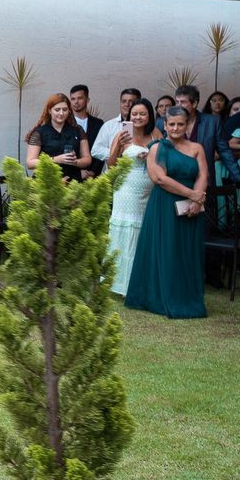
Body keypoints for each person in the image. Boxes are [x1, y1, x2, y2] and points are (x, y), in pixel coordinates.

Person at [124, 106, 208, 318]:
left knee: (188, 251)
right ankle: (162, 296)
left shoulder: (197, 148)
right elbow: (159, 178)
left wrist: (197, 200)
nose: (176, 128)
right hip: (165, 205)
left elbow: (203, 176)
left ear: (188, 124)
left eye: (181, 124)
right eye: (171, 124)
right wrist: (192, 194)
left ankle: (188, 297)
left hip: (192, 206)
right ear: (165, 125)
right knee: (167, 249)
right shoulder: (157, 148)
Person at [105, 99, 161, 296]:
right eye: (134, 114)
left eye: (142, 113)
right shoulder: (122, 136)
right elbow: (111, 166)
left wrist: (151, 156)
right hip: (125, 191)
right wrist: (119, 147)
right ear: (129, 117)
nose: (138, 117)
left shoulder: (156, 134)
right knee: (127, 230)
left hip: (150, 191)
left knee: (144, 231)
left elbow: (165, 160)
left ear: (149, 116)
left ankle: (142, 281)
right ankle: (121, 283)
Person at [26, 93, 91, 182]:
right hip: (46, 183)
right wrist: (56, 159)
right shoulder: (40, 132)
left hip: (73, 183)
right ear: (49, 110)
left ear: (69, 111)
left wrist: (75, 162)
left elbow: (87, 159)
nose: (61, 113)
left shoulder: (78, 130)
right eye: (57, 110)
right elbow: (30, 163)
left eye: (65, 110)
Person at [91, 88, 141, 170]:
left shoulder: (144, 127)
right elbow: (95, 150)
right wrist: (116, 153)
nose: (127, 104)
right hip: (114, 175)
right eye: (124, 101)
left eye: (131, 101)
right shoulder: (109, 126)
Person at [70, 84, 105, 178]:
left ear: (87, 100)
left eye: (80, 98)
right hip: (70, 176)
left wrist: (93, 171)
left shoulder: (98, 123)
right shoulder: (65, 123)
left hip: (92, 176)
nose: (76, 102)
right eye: (73, 99)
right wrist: (78, 173)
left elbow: (102, 148)